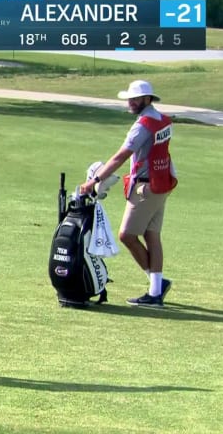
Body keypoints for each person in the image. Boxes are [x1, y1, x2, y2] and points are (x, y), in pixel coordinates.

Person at [80, 80, 178, 308]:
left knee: (127, 235)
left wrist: (95, 180)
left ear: (147, 99)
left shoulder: (143, 125)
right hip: (161, 184)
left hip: (146, 187)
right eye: (130, 99)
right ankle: (156, 288)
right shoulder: (164, 120)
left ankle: (157, 287)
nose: (130, 102)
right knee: (152, 236)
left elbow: (121, 156)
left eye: (135, 99)